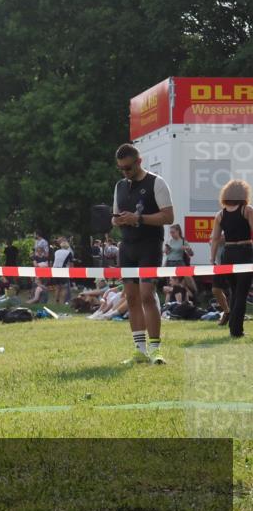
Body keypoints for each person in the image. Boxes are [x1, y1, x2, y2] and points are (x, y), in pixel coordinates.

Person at [111, 143, 174, 364]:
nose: (125, 172)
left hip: (149, 245)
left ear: (139, 162)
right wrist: (117, 220)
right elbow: (115, 216)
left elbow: (168, 217)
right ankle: (139, 349)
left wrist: (139, 218)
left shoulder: (156, 182)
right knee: (131, 297)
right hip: (127, 246)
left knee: (147, 294)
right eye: (121, 168)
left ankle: (156, 348)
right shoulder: (120, 186)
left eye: (128, 167)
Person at [208, 179, 253, 339]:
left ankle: (233, 326)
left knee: (235, 292)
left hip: (227, 254)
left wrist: (212, 258)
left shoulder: (220, 214)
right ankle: (236, 330)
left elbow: (215, 239)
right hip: (245, 252)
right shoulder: (247, 210)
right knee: (241, 292)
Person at [52, 239, 74, 305]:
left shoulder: (56, 251)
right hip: (62, 270)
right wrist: (72, 273)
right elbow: (71, 264)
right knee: (64, 287)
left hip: (55, 269)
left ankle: (56, 302)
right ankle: (62, 303)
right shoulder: (68, 252)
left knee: (57, 287)